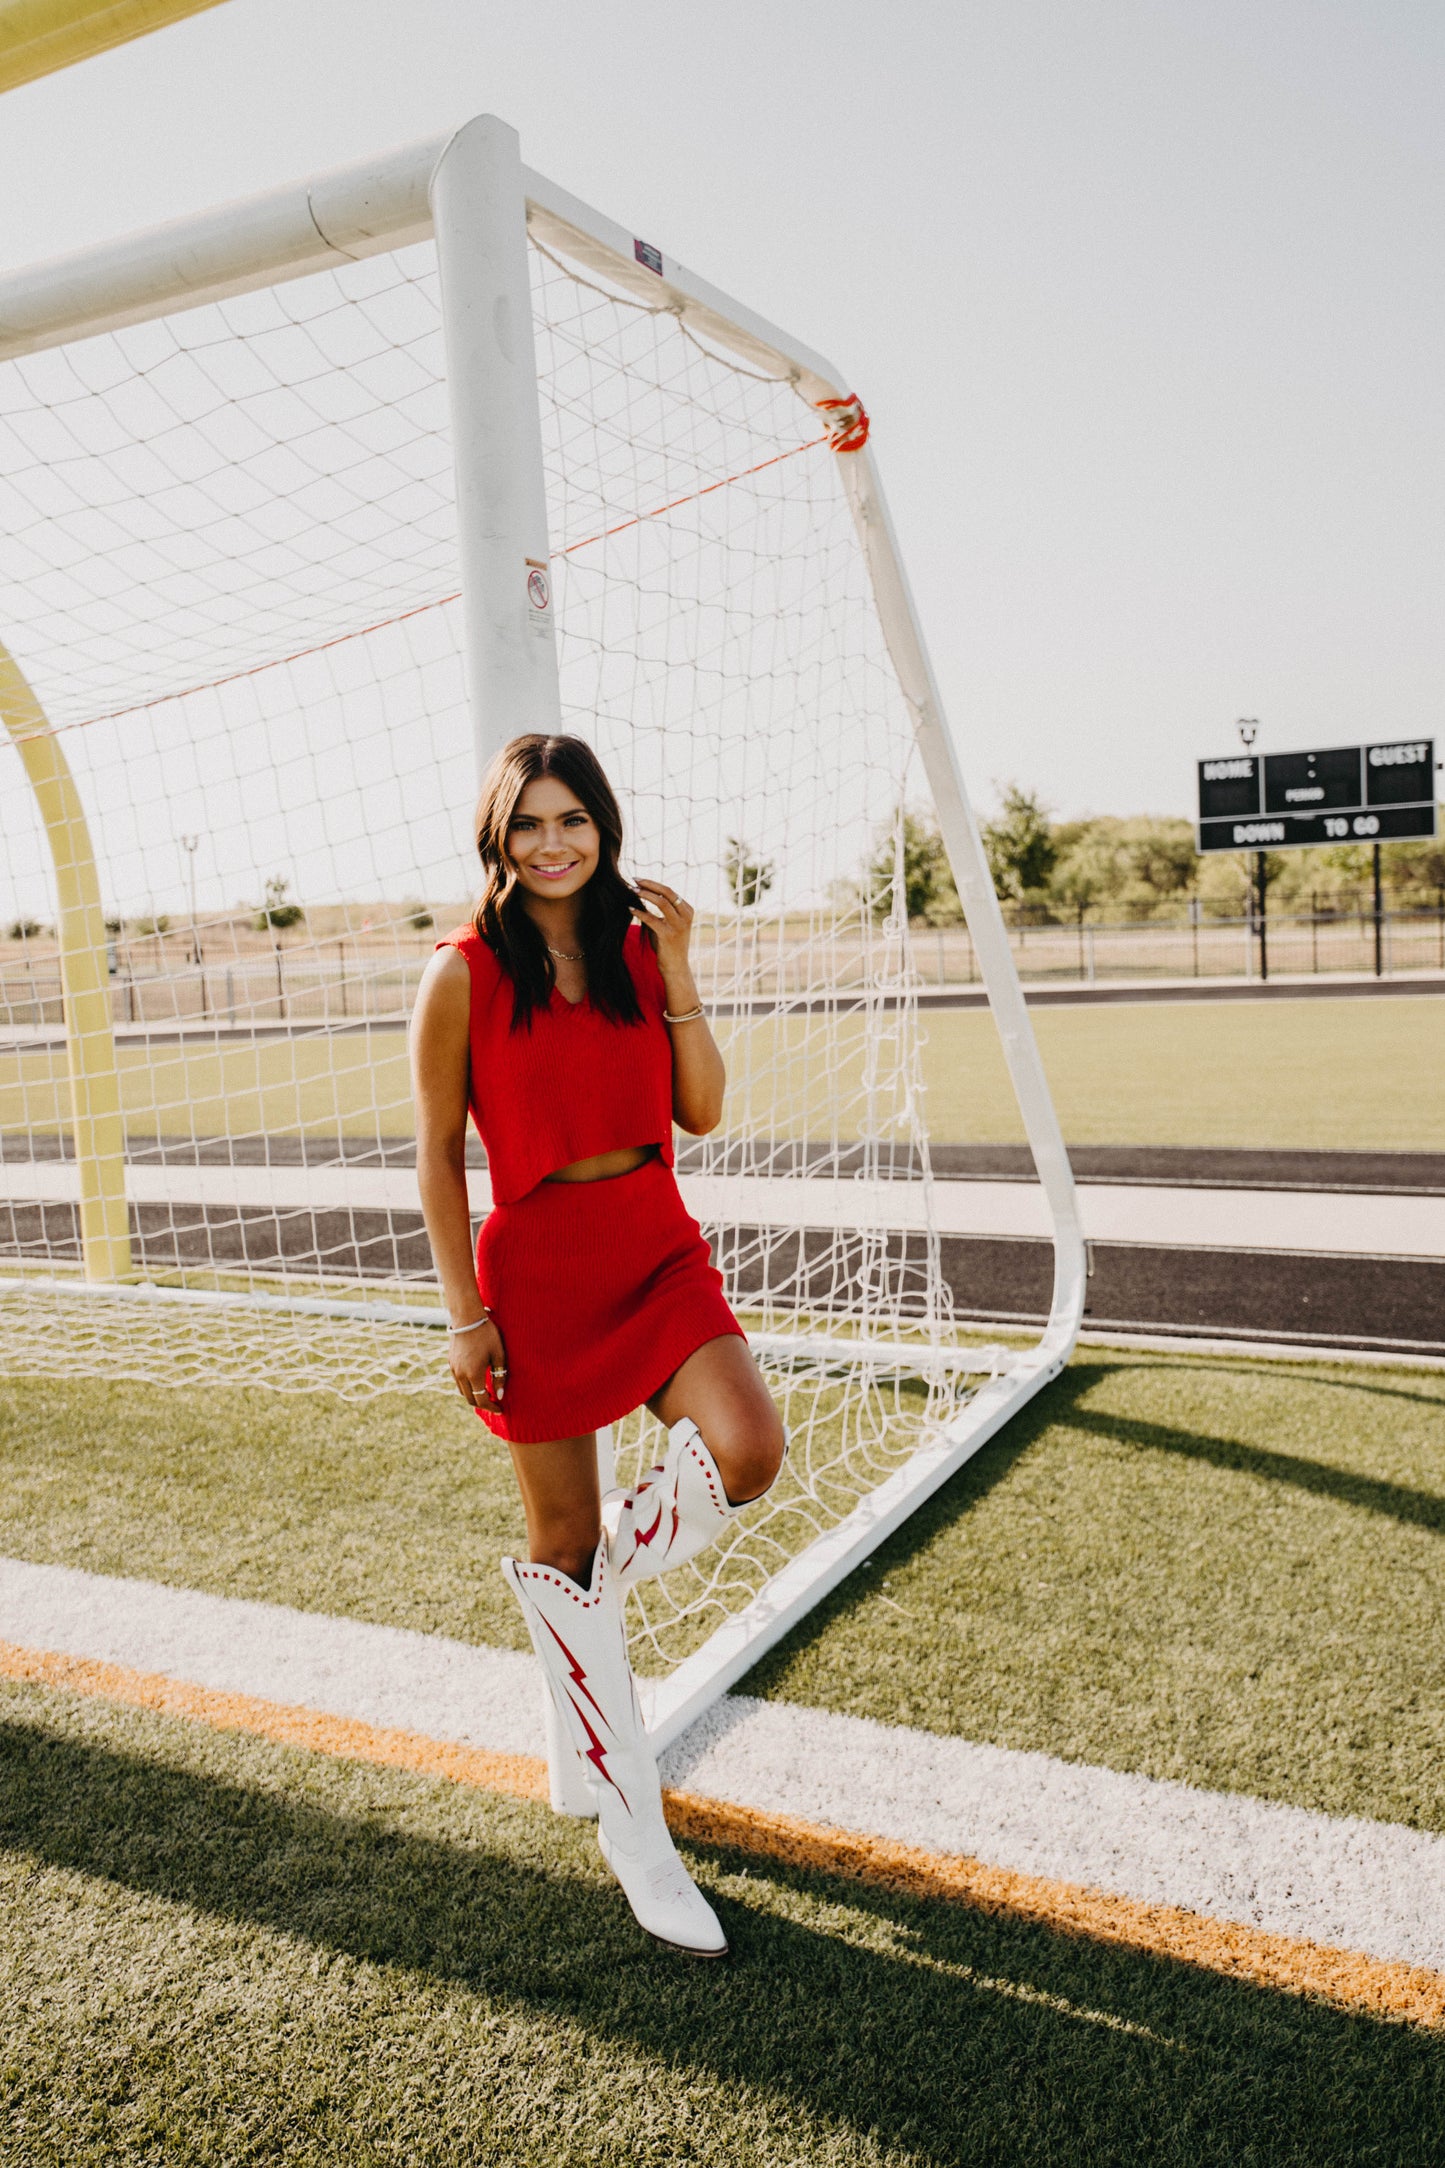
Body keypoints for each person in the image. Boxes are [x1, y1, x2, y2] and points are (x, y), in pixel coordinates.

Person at [410, 732, 786, 1958]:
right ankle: (630, 1827)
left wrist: (678, 966)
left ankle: (594, 1597)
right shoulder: (460, 971)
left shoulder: (634, 947)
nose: (553, 841)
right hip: (537, 1272)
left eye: (572, 819)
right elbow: (434, 1156)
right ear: (499, 835)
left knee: (745, 1449)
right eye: (530, 822)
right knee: (563, 1547)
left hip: (654, 1238)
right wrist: (465, 1311)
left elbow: (703, 1107)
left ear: (602, 827)